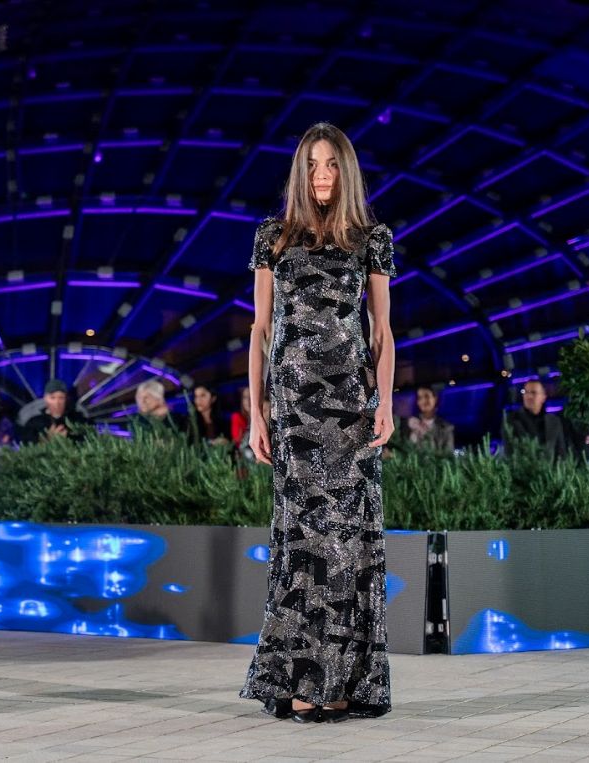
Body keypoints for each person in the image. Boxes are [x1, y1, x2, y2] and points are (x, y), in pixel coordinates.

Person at [240, 122, 396, 722]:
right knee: (302, 540)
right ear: (299, 173)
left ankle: (341, 680)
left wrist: (385, 403)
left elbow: (381, 331)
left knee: (346, 542)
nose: (322, 175)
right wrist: (256, 412)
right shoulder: (272, 237)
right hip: (293, 409)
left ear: (346, 170)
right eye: (312, 165)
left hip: (350, 409)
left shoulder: (371, 239)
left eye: (331, 164)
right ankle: (300, 677)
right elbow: (260, 330)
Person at [504, 378, 567, 460]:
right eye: (526, 392)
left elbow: (561, 453)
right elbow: (509, 452)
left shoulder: (554, 421)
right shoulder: (512, 420)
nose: (529, 396)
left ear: (543, 396)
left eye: (533, 393)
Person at [20, 379, 88, 444]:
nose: (57, 403)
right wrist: (47, 439)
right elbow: (27, 445)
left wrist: (68, 438)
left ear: (66, 399)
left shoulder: (77, 419)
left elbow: (87, 438)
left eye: (61, 398)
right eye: (52, 398)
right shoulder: (34, 423)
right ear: (45, 398)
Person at [404, 386, 455, 452]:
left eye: (427, 396)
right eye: (419, 397)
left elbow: (448, 454)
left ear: (435, 399)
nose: (423, 401)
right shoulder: (409, 423)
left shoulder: (446, 428)